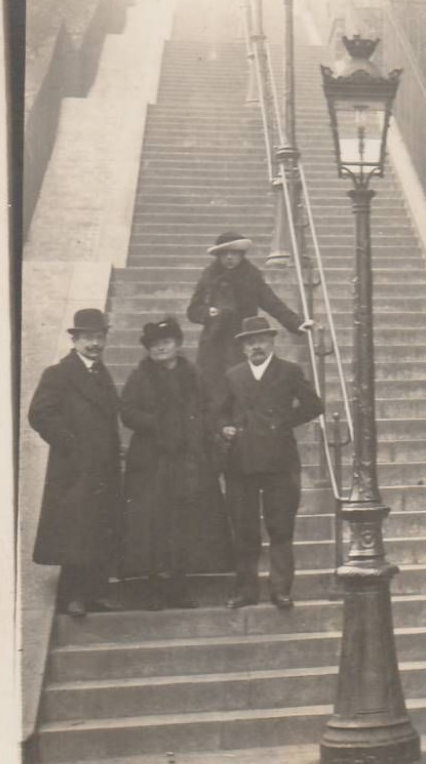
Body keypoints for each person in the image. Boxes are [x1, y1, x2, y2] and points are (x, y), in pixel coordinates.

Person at [119, 317, 232, 610]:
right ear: (148, 349)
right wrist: (158, 425)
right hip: (152, 464)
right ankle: (155, 589)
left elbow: (209, 409)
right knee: (154, 525)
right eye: (155, 344)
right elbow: (127, 412)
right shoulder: (140, 375)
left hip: (187, 462)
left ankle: (179, 588)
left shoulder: (193, 374)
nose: (161, 348)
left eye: (166, 342)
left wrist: (207, 434)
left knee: (184, 525)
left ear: (178, 344)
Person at [217, 316, 323, 610]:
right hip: (242, 461)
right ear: (243, 348)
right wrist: (225, 428)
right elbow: (220, 413)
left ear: (272, 342)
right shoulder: (233, 376)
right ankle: (246, 590)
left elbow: (315, 405)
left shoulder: (289, 372)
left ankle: (281, 589)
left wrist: (283, 422)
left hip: (280, 461)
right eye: (250, 343)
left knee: (281, 528)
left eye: (261, 340)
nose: (256, 347)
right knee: (244, 528)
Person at [28, 308, 122, 618]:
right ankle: (73, 597)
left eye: (99, 337)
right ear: (76, 339)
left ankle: (94, 594)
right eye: (88, 338)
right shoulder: (58, 373)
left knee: (98, 528)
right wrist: (71, 444)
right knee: (75, 531)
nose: (95, 344)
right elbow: (39, 414)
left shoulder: (101, 372)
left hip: (102, 467)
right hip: (74, 468)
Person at [187, 230, 314, 402]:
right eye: (225, 254)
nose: (229, 258)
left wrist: (296, 323)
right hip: (213, 343)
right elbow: (193, 311)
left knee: (240, 387)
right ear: (219, 256)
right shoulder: (209, 276)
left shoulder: (251, 277)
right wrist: (208, 313)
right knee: (211, 389)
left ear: (242, 255)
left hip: (242, 341)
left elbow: (272, 303)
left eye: (234, 253)